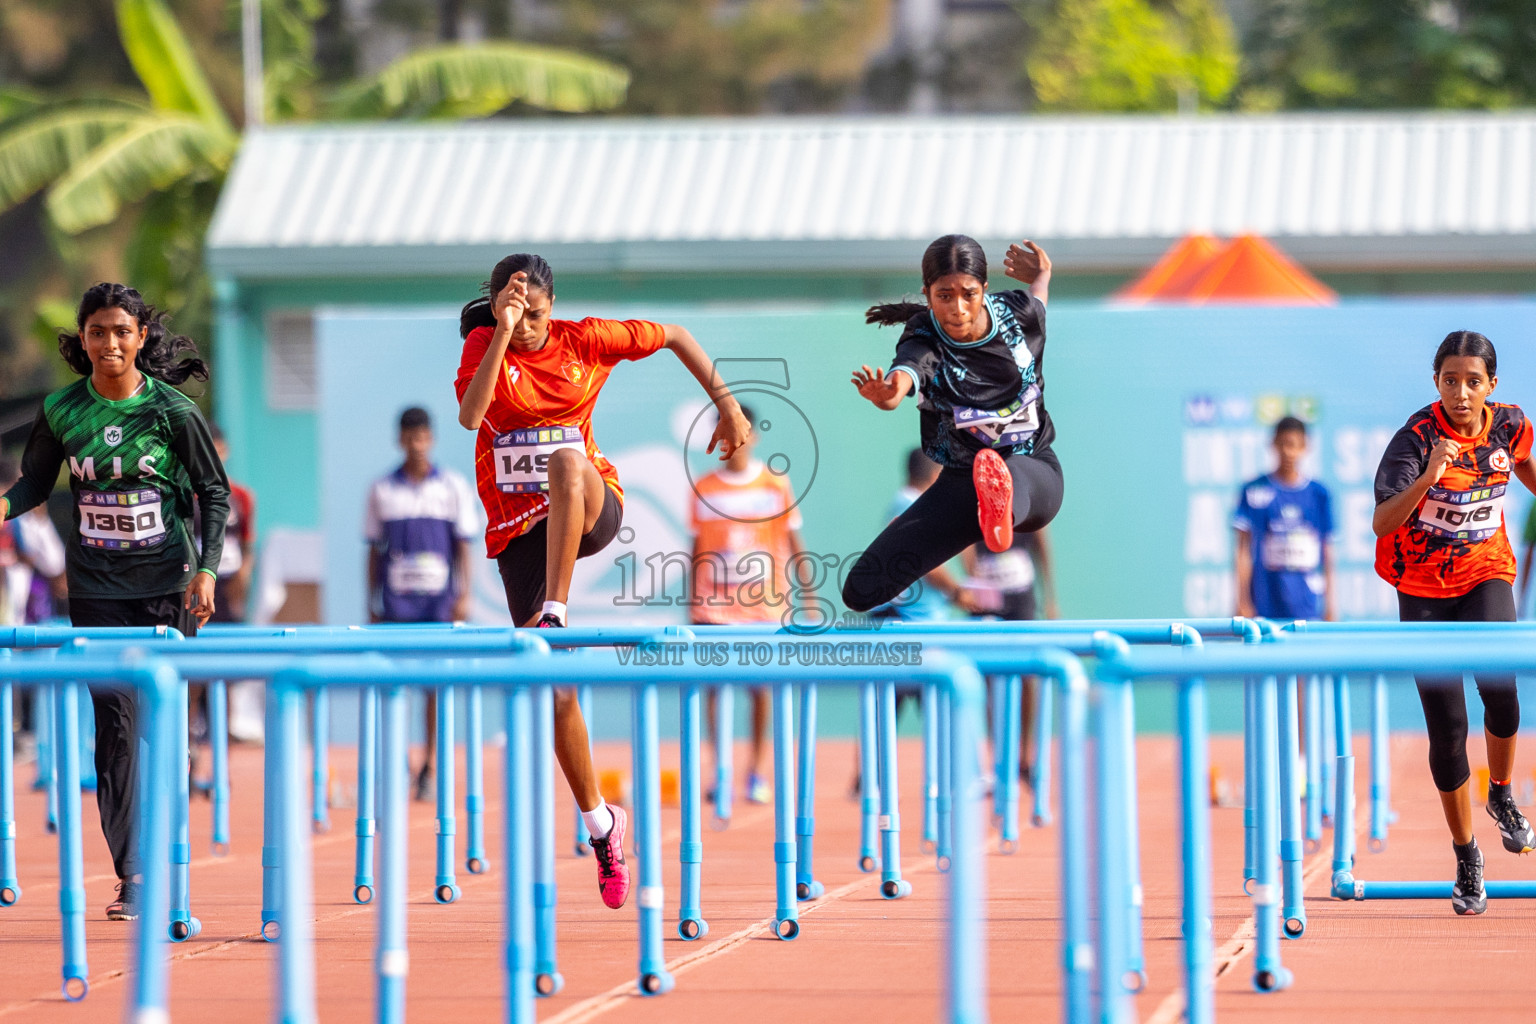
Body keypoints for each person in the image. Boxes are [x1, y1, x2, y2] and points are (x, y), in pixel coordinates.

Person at [456, 253, 750, 910]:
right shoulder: (485, 343)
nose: (528, 327)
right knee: (556, 694)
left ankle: (555, 610)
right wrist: (502, 330)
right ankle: (601, 824)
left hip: (590, 505)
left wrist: (726, 409)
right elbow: (472, 417)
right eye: (515, 313)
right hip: (519, 533)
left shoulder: (585, 339)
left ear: (552, 306)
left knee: (567, 460)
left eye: (535, 315)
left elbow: (675, 334)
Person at [0, 283, 228, 922]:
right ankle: (133, 874)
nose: (110, 344)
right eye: (98, 332)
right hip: (97, 590)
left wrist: (206, 571)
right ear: (83, 338)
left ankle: (171, 852)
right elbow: (33, 486)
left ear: (141, 338)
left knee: (164, 728)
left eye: (122, 332)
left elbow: (214, 493)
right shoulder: (62, 409)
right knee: (116, 730)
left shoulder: (174, 412)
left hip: (168, 585)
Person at [1372, 330, 1536, 916]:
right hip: (1422, 587)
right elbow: (1381, 522)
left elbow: (1524, 466)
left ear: (1492, 385)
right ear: (1436, 383)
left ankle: (1502, 795)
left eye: (1473, 381)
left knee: (1503, 692)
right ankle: (1467, 856)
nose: (1461, 393)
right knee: (1448, 727)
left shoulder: (1510, 425)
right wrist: (1427, 479)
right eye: (1449, 381)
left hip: (1487, 570)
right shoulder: (1415, 440)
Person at [842, 235, 1063, 614]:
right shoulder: (925, 336)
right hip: (962, 487)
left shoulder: (1018, 313)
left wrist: (1042, 274)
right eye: (944, 296)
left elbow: (1038, 296)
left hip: (1034, 472)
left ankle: (1001, 506)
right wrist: (888, 396)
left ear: (985, 291)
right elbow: (905, 375)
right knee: (861, 590)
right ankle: (987, 511)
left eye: (969, 294)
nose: (958, 309)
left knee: (1009, 474)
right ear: (927, 294)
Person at [689, 404, 814, 805]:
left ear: (753, 436)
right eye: (723, 432)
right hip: (714, 609)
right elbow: (696, 548)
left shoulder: (775, 484)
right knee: (713, 689)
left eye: (739, 432)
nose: (732, 441)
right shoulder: (704, 488)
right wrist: (693, 601)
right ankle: (719, 770)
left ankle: (756, 770)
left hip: (766, 607)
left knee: (761, 690)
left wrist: (809, 599)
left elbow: (794, 542)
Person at [364, 406, 480, 800]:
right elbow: (374, 551)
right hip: (397, 606)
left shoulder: (452, 486)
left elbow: (464, 547)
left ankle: (430, 763)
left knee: (434, 686)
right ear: (400, 440)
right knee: (394, 685)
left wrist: (464, 594)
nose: (416, 444)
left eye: (422, 437)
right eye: (409, 437)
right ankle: (399, 762)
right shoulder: (382, 489)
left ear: (431, 439)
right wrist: (371, 601)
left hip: (438, 606)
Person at [962, 525, 1058, 788]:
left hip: (1020, 598)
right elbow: (964, 544)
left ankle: (1024, 757)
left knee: (1028, 675)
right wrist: (975, 581)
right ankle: (999, 762)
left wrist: (1050, 597)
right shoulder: (974, 493)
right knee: (988, 679)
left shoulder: (1027, 495)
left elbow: (1042, 545)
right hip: (986, 596)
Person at [1234, 416, 1336, 623]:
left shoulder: (1319, 494)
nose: (1288, 452)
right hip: (1264, 605)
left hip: (1308, 605)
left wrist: (1331, 604)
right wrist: (1241, 600)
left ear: (1305, 447)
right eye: (1283, 444)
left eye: (1295, 445)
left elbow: (1327, 551)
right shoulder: (1254, 490)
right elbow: (1243, 549)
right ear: (1273, 444)